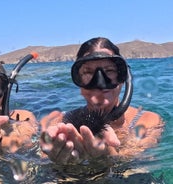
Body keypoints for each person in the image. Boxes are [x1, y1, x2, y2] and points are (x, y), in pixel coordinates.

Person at [40, 37, 164, 165]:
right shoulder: (60, 122)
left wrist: (107, 155)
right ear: (79, 81)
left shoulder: (147, 121)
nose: (99, 82)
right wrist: (56, 160)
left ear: (123, 77)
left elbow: (138, 165)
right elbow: (42, 158)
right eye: (88, 72)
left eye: (109, 71)